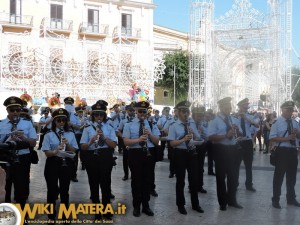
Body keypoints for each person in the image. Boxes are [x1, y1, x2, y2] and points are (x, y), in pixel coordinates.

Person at [80, 101, 117, 220]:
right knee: (94, 183)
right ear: (93, 115)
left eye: (101, 115)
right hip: (92, 155)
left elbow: (113, 145)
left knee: (106, 183)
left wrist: (104, 138)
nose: (99, 117)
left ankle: (106, 209)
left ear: (104, 115)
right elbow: (82, 146)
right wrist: (91, 141)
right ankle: (96, 211)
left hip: (105, 155)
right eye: (96, 115)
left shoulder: (109, 127)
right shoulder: (87, 128)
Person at [123, 101, 160, 217]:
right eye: (140, 111)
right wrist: (138, 140)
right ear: (136, 111)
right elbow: (126, 141)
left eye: (144, 111)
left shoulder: (152, 124)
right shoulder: (129, 124)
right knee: (136, 181)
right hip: (135, 153)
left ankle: (146, 206)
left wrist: (149, 135)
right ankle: (136, 206)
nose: (142, 113)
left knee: (147, 181)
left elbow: (157, 141)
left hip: (149, 154)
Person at [0, 96, 37, 210]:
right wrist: (8, 140)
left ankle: (22, 216)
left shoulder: (27, 123)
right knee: (4, 189)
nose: (15, 112)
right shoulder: (1, 124)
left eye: (18, 110)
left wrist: (24, 138)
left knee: (21, 189)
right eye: (12, 110)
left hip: (22, 158)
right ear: (7, 110)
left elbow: (33, 143)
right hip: (5, 158)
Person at [167, 100, 204, 215]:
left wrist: (196, 135)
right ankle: (180, 205)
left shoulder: (191, 124)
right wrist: (183, 139)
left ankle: (195, 204)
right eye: (183, 111)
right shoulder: (173, 126)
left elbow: (198, 138)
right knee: (180, 180)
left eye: (187, 111)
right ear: (178, 113)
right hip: (180, 154)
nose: (186, 113)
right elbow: (172, 144)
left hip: (192, 153)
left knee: (194, 180)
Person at [41, 108, 78, 220]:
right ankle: (51, 215)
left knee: (64, 189)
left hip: (66, 162)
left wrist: (68, 145)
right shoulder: (48, 134)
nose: (61, 122)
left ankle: (64, 214)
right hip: (53, 162)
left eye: (63, 120)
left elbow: (74, 151)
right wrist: (55, 151)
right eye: (59, 120)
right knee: (52, 189)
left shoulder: (71, 134)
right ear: (54, 121)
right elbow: (47, 153)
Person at [208, 97, 243, 211]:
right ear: (221, 107)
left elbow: (240, 133)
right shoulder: (214, 121)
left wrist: (237, 130)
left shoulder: (232, 119)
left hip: (232, 149)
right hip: (220, 150)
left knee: (233, 177)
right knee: (221, 177)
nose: (229, 108)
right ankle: (222, 202)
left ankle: (232, 200)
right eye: (227, 106)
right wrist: (225, 135)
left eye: (230, 106)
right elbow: (211, 137)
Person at [269, 101, 300, 209]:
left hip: (292, 151)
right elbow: (272, 138)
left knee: (292, 177)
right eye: (288, 110)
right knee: (279, 177)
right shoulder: (277, 122)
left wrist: (297, 134)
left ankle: (291, 198)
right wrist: (286, 139)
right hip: (282, 152)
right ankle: (276, 199)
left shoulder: (295, 122)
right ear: (282, 110)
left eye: (291, 110)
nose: (290, 112)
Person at [236, 98, 259, 192]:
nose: (247, 107)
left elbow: (257, 126)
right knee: (236, 164)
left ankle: (249, 184)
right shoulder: (234, 116)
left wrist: (246, 119)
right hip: (238, 142)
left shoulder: (250, 116)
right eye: (245, 105)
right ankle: (235, 183)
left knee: (248, 165)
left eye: (247, 105)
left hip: (248, 141)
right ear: (240, 106)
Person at [64, 97, 82, 182]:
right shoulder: (60, 114)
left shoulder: (75, 116)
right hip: (63, 135)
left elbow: (79, 127)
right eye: (67, 104)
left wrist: (71, 124)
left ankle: (73, 174)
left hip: (75, 136)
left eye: (70, 104)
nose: (68, 106)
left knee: (74, 155)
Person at [117, 104, 135, 181]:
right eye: (129, 110)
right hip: (126, 142)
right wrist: (123, 137)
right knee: (125, 159)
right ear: (127, 111)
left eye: (132, 110)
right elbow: (118, 131)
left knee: (134, 159)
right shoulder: (123, 120)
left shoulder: (136, 120)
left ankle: (133, 174)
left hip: (134, 142)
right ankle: (126, 174)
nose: (131, 112)